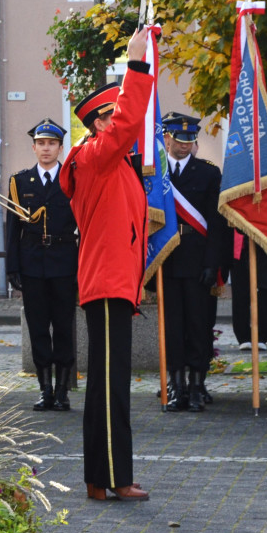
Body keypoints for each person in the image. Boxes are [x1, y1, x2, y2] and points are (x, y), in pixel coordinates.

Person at [59, 28, 151, 502]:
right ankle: (112, 476)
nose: (123, 126)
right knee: (111, 387)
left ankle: (105, 475)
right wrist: (136, 67)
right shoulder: (95, 156)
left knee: (109, 385)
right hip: (108, 282)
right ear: (99, 124)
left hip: (115, 283)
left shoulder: (111, 163)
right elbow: (127, 123)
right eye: (113, 118)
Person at [7, 118, 78, 411]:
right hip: (32, 263)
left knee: (63, 326)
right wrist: (12, 267)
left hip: (64, 263)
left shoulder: (73, 179)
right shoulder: (20, 181)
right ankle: (44, 389)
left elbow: (82, 225)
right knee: (37, 327)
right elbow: (13, 229)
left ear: (60, 148)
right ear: (34, 148)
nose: (46, 149)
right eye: (41, 144)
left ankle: (62, 390)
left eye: (51, 144)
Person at [160, 112, 224, 411]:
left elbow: (216, 222)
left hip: (198, 260)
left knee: (199, 326)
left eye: (189, 140)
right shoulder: (155, 175)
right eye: (179, 139)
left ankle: (198, 386)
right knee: (172, 327)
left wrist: (213, 264)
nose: (185, 145)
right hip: (167, 260)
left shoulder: (208, 173)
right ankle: (176, 386)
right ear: (167, 138)